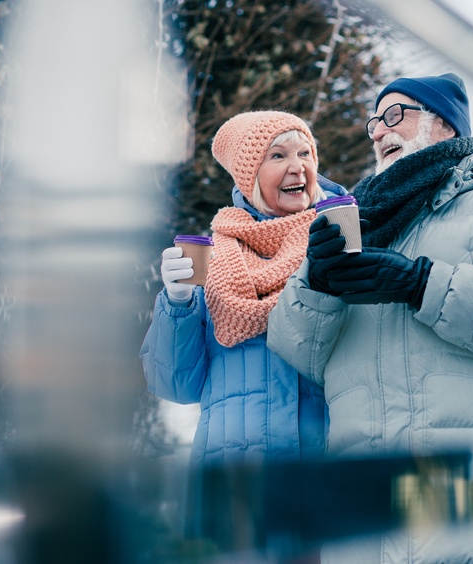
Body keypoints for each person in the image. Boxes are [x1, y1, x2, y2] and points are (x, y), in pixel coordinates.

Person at [268, 73, 473, 563]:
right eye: (374, 123)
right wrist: (315, 283)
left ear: (444, 124)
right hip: (364, 524)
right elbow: (297, 353)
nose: (380, 132)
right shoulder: (352, 225)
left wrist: (422, 283)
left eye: (395, 115)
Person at [139, 110, 342, 542]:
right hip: (233, 484)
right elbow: (175, 385)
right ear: (249, 176)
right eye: (278, 155)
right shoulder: (212, 261)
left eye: (305, 153)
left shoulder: (339, 241)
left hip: (324, 472)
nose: (297, 167)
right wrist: (177, 303)